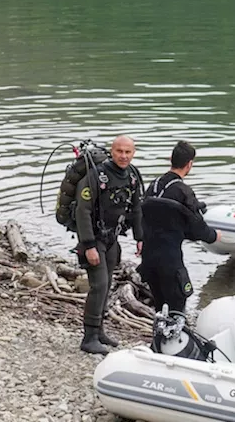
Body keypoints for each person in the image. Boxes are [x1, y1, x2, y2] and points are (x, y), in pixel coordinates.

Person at [75, 135, 143, 355]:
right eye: (119, 151)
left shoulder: (132, 175)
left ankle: (99, 330)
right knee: (100, 285)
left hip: (111, 238)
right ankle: (89, 337)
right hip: (93, 239)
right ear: (112, 152)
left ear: (133, 153)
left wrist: (140, 237)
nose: (124, 156)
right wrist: (88, 245)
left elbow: (136, 208)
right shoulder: (97, 176)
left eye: (128, 152)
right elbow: (82, 211)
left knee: (108, 282)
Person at [139, 141, 220, 317]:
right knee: (178, 305)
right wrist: (215, 236)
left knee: (160, 307)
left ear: (171, 159)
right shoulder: (184, 191)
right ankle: (176, 341)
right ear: (190, 164)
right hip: (169, 259)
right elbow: (198, 229)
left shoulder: (154, 185)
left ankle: (158, 339)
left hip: (149, 257)